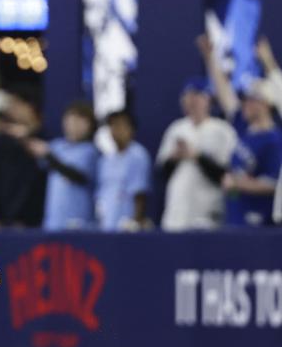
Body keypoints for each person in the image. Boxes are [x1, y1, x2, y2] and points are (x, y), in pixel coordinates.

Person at [199, 34, 282, 226]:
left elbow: (272, 183)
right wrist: (210, 58)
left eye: (253, 100)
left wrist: (238, 183)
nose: (247, 105)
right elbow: (225, 95)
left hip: (260, 221)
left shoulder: (274, 140)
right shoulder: (245, 127)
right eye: (246, 100)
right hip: (236, 215)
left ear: (267, 104)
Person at [156, 79, 237, 231]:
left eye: (197, 96)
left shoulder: (222, 130)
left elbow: (227, 174)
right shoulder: (176, 129)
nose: (192, 101)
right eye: (188, 97)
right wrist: (175, 157)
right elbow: (162, 172)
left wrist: (197, 156)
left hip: (208, 214)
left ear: (208, 99)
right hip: (176, 213)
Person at [25, 100, 99, 231]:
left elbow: (78, 176)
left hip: (80, 222)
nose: (74, 125)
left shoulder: (91, 151)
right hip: (53, 221)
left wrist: (48, 156)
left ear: (90, 125)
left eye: (80, 120)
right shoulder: (57, 146)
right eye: (71, 119)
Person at [0, 92, 47, 228]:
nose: (12, 111)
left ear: (30, 107)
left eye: (16, 105)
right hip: (5, 218)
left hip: (34, 218)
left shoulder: (44, 137)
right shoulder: (3, 139)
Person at [96, 110, 152, 232]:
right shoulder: (106, 160)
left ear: (131, 129)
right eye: (113, 126)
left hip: (127, 225)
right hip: (107, 222)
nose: (116, 130)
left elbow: (140, 192)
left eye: (121, 125)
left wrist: (135, 222)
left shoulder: (138, 155)